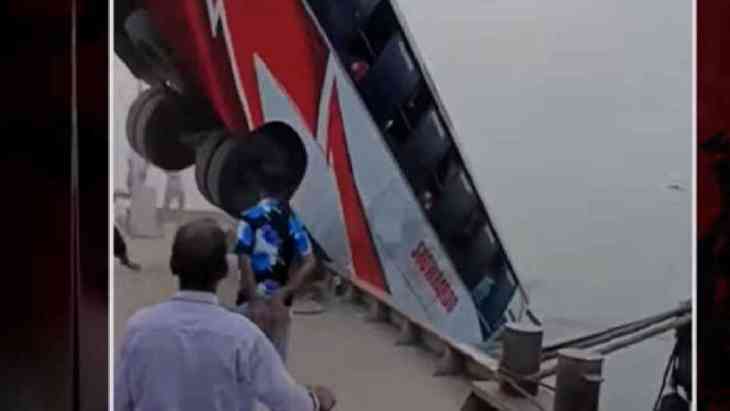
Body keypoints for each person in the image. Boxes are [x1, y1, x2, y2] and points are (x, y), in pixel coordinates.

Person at [115, 219, 336, 411]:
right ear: (223, 271)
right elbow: (287, 401)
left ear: (173, 265)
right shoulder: (243, 336)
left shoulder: (139, 329)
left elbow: (118, 401)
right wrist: (317, 400)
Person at [233, 186, 317, 363]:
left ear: (260, 190)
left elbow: (243, 260)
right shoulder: (292, 219)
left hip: (250, 304)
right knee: (276, 364)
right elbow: (310, 261)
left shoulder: (248, 218)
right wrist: (285, 291)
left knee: (248, 363)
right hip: (280, 305)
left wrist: (255, 299)